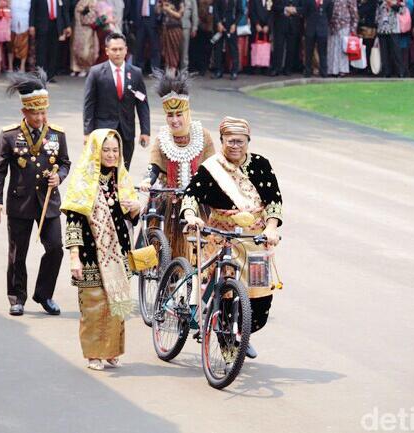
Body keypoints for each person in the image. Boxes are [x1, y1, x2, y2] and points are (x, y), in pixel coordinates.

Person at [181, 116, 282, 359]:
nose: (235, 146)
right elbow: (191, 195)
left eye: (240, 141)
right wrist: (190, 215)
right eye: (229, 141)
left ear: (248, 141)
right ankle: (227, 344)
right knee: (225, 295)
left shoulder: (261, 165)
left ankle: (242, 332)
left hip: (254, 241)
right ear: (222, 141)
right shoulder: (211, 168)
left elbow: (274, 201)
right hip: (221, 238)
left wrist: (271, 228)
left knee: (260, 302)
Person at [0, 69, 71, 316]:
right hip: (20, 202)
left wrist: (60, 177)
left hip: (48, 202)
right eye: (35, 112)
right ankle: (16, 297)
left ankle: (44, 295)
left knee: (55, 247)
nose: (40, 117)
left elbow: (66, 162)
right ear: (24, 112)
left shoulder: (57, 134)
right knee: (18, 253)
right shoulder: (9, 135)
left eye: (44, 111)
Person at [62, 129, 141, 371]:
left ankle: (112, 351)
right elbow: (73, 222)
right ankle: (94, 354)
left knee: (117, 305)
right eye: (106, 150)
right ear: (96, 151)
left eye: (115, 150)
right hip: (89, 255)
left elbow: (131, 216)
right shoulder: (83, 181)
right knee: (93, 306)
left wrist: (137, 207)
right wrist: (74, 257)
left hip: (119, 253)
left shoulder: (121, 178)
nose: (111, 155)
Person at [137, 69, 216, 258]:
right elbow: (154, 165)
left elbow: (214, 167)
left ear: (187, 113)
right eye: (170, 115)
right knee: (153, 231)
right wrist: (148, 180)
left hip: (198, 199)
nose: (174, 120)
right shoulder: (162, 136)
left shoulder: (203, 135)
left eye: (179, 114)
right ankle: (153, 267)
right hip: (168, 196)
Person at [83, 32, 151, 170]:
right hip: (103, 130)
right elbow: (89, 104)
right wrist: (87, 132)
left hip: (127, 130)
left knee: (124, 171)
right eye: (114, 49)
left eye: (121, 49)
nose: (118, 53)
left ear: (126, 50)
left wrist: (145, 131)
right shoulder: (96, 72)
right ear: (107, 51)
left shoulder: (136, 73)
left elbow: (142, 104)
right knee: (103, 172)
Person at [29, 0, 72, 81]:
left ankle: (50, 75)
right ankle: (41, 74)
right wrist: (31, 25)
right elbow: (32, 10)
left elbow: (64, 11)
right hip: (42, 25)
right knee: (41, 51)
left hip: (56, 26)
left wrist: (68, 25)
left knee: (53, 52)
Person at [212, 0, 243, 79]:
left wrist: (235, 24)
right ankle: (218, 70)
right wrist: (218, 22)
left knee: (233, 49)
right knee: (218, 48)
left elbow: (240, 12)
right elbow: (215, 9)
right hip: (220, 25)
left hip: (231, 25)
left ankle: (234, 71)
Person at [270, 0, 302, 76]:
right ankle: (276, 68)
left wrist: (295, 10)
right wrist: (285, 9)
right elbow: (274, 6)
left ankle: (288, 69)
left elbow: (303, 7)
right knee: (278, 47)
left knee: (291, 48)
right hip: (280, 24)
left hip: (294, 24)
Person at [302, 0, 334, 77]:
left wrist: (324, 24)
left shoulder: (328, 1)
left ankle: (323, 72)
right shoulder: (308, 1)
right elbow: (305, 13)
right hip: (310, 28)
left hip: (322, 29)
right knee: (309, 51)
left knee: (323, 52)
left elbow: (329, 14)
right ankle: (308, 71)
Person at [327, 0, 358, 76]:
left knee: (342, 49)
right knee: (332, 48)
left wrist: (353, 29)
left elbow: (354, 13)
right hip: (332, 26)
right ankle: (332, 70)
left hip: (344, 25)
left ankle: (342, 70)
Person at [70, 0, 100, 77]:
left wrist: (84, 11)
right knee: (76, 48)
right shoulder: (80, 1)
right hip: (78, 27)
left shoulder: (93, 1)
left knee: (87, 49)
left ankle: (86, 68)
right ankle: (76, 68)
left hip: (88, 28)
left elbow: (94, 13)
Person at [376, 0, 405, 77]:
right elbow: (377, 14)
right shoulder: (380, 1)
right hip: (382, 29)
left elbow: (402, 11)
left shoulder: (397, 1)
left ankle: (400, 71)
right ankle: (386, 72)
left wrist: (392, 4)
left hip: (393, 29)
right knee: (384, 52)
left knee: (396, 51)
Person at [131, 0, 162, 72]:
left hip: (153, 23)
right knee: (139, 47)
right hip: (140, 22)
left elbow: (160, 9)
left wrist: (158, 20)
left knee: (155, 47)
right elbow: (133, 8)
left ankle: (155, 70)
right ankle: (139, 69)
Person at [159, 0, 185, 74]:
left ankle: (173, 72)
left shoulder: (180, 2)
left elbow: (179, 15)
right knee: (166, 52)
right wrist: (161, 7)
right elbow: (158, 12)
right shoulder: (165, 2)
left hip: (175, 29)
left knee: (174, 51)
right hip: (165, 29)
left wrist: (168, 9)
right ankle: (168, 71)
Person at [191, 0, 215, 76]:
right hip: (200, 26)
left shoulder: (211, 2)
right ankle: (200, 67)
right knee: (199, 48)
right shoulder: (198, 2)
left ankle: (204, 68)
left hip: (209, 27)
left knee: (206, 49)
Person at [9, 0, 32, 72]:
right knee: (10, 44)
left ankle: (22, 66)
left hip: (25, 21)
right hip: (12, 21)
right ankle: (10, 67)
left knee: (24, 45)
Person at [181, 0, 198, 72]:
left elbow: (194, 13)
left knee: (184, 52)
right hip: (172, 26)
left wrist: (194, 27)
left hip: (185, 26)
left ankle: (183, 72)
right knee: (172, 51)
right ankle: (171, 72)